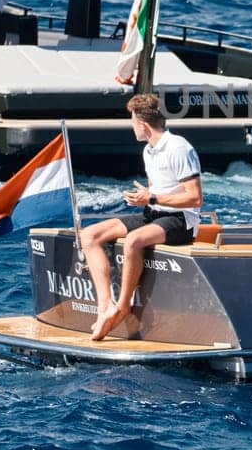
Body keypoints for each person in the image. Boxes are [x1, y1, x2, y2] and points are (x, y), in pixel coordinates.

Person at [80, 93, 203, 341]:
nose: (131, 126)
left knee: (135, 240)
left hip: (180, 220)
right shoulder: (149, 150)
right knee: (90, 235)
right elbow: (155, 191)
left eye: (132, 120)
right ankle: (105, 305)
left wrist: (152, 198)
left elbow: (194, 198)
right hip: (153, 214)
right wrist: (144, 198)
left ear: (142, 124)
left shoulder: (178, 148)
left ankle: (122, 307)